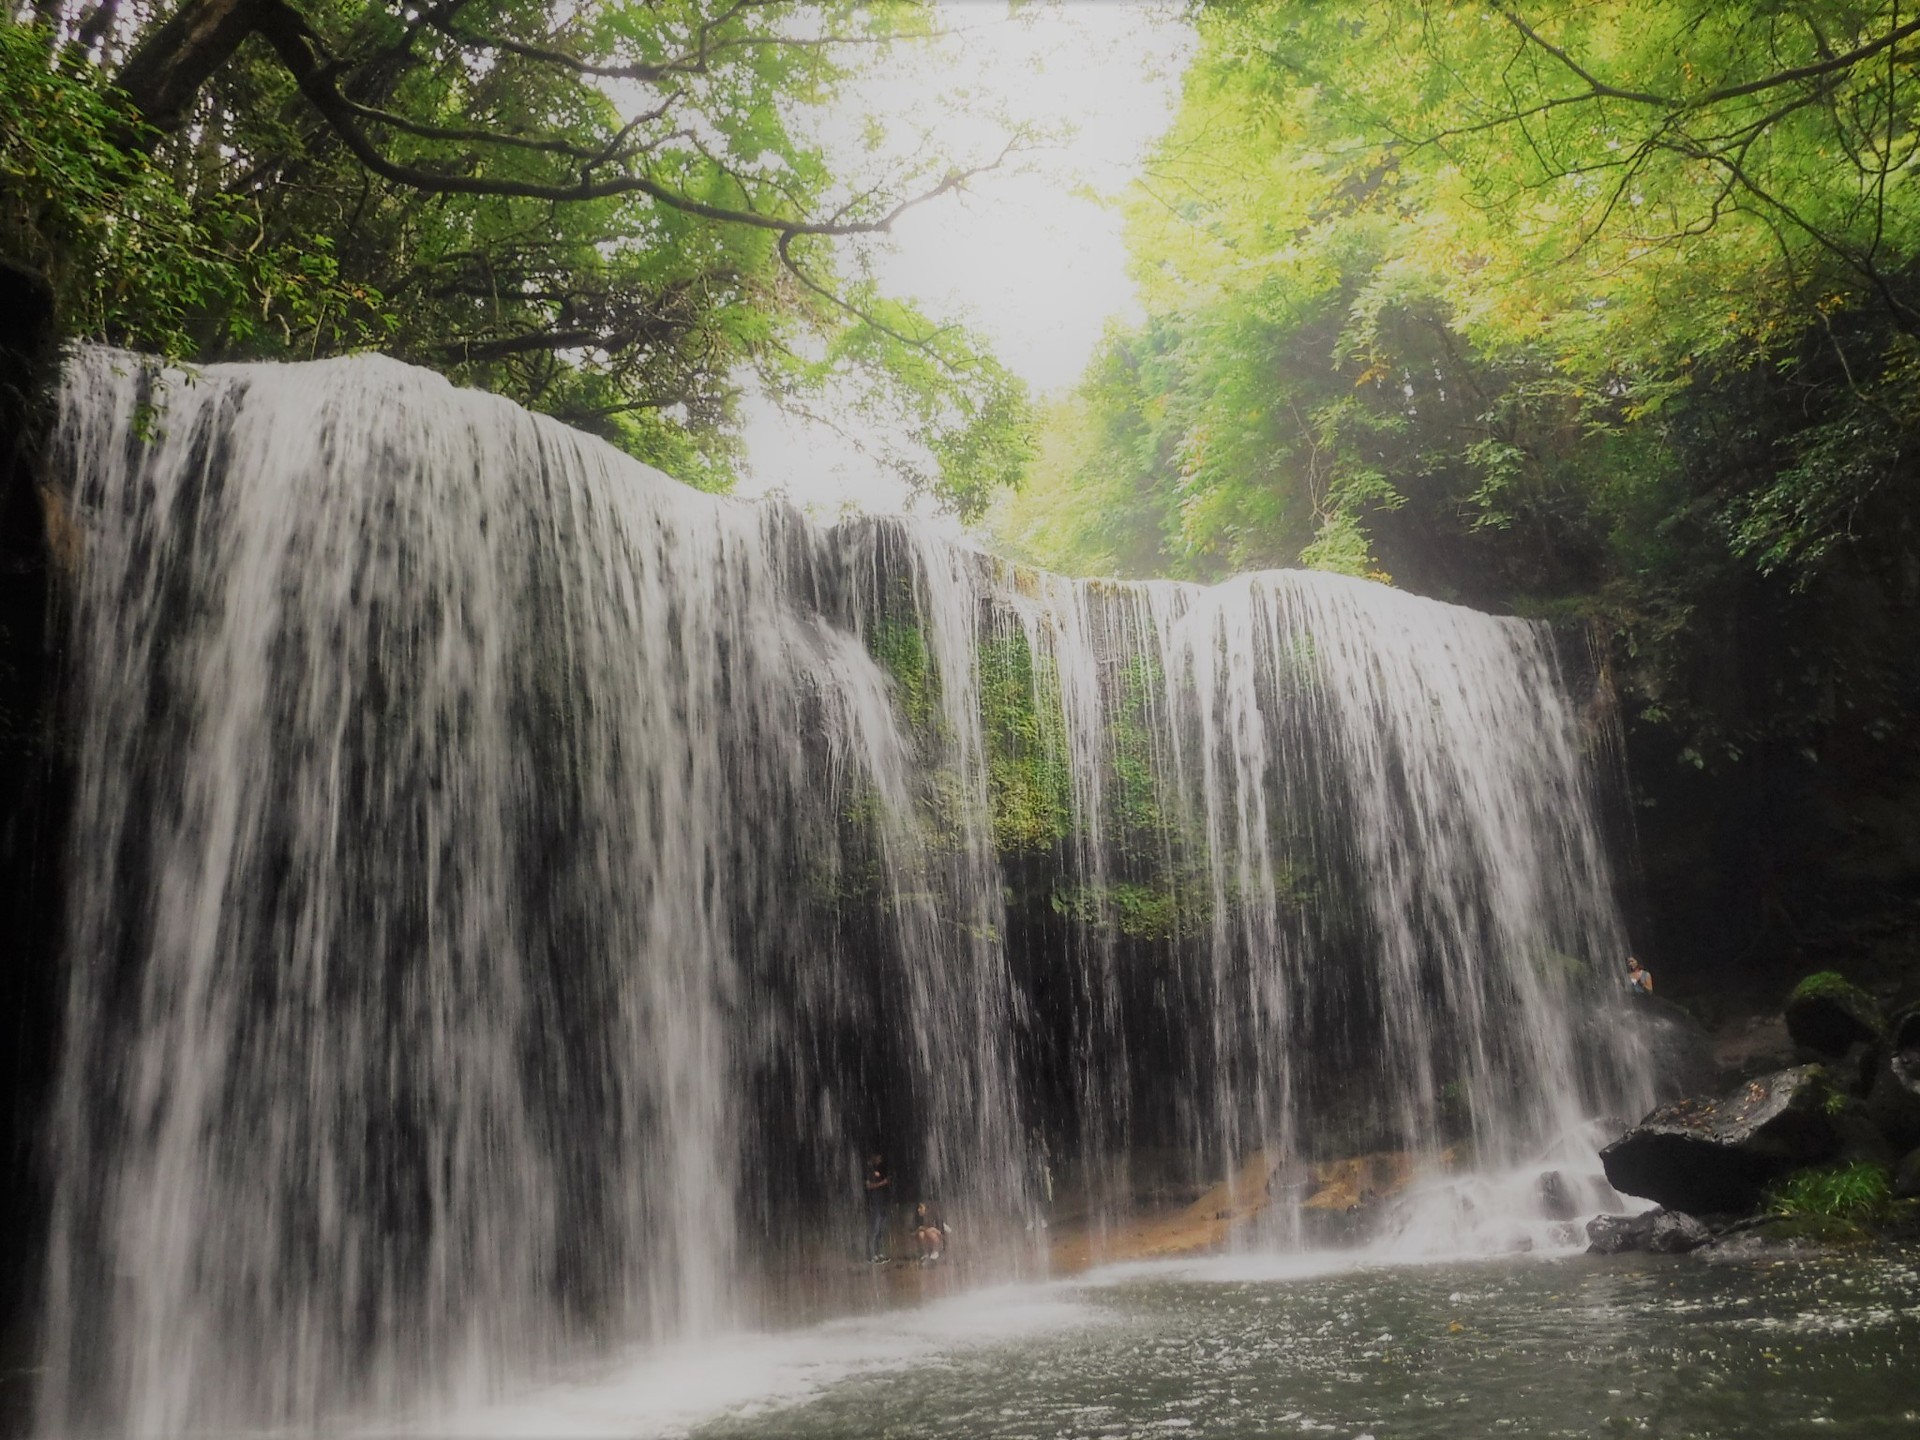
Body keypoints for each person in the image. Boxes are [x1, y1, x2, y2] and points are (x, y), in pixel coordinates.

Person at [864, 1153, 891, 1262]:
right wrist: (883, 1183)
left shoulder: (876, 1169)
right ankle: (871, 1254)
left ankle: (878, 1252)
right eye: (879, 1158)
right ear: (873, 1157)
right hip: (874, 1203)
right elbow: (868, 1186)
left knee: (881, 1228)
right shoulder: (867, 1170)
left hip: (881, 1202)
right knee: (874, 1229)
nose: (880, 1161)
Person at [913, 1200, 947, 1264]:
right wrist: (919, 1229)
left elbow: (942, 1233)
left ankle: (936, 1251)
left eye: (921, 1207)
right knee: (921, 1234)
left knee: (929, 1232)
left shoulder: (935, 1217)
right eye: (918, 1208)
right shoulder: (918, 1218)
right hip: (929, 1239)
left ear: (926, 1209)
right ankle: (926, 1252)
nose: (918, 1210)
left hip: (939, 1240)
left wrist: (933, 1229)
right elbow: (912, 1233)